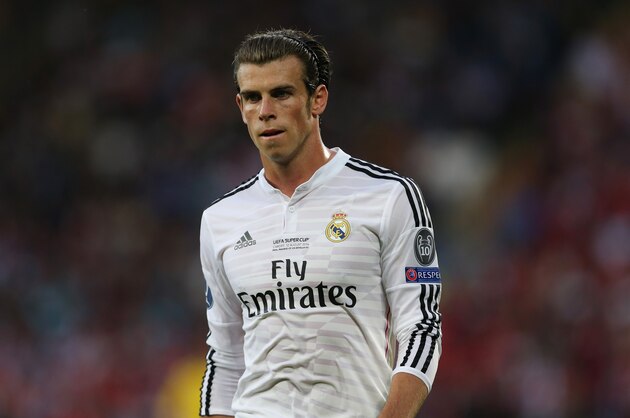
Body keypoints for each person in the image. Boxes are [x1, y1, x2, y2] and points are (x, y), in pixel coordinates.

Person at [199, 28, 442, 418]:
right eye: (252, 98)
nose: (265, 111)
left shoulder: (389, 196)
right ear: (240, 106)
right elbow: (225, 355)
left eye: (281, 93)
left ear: (318, 99)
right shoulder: (220, 220)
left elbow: (421, 325)